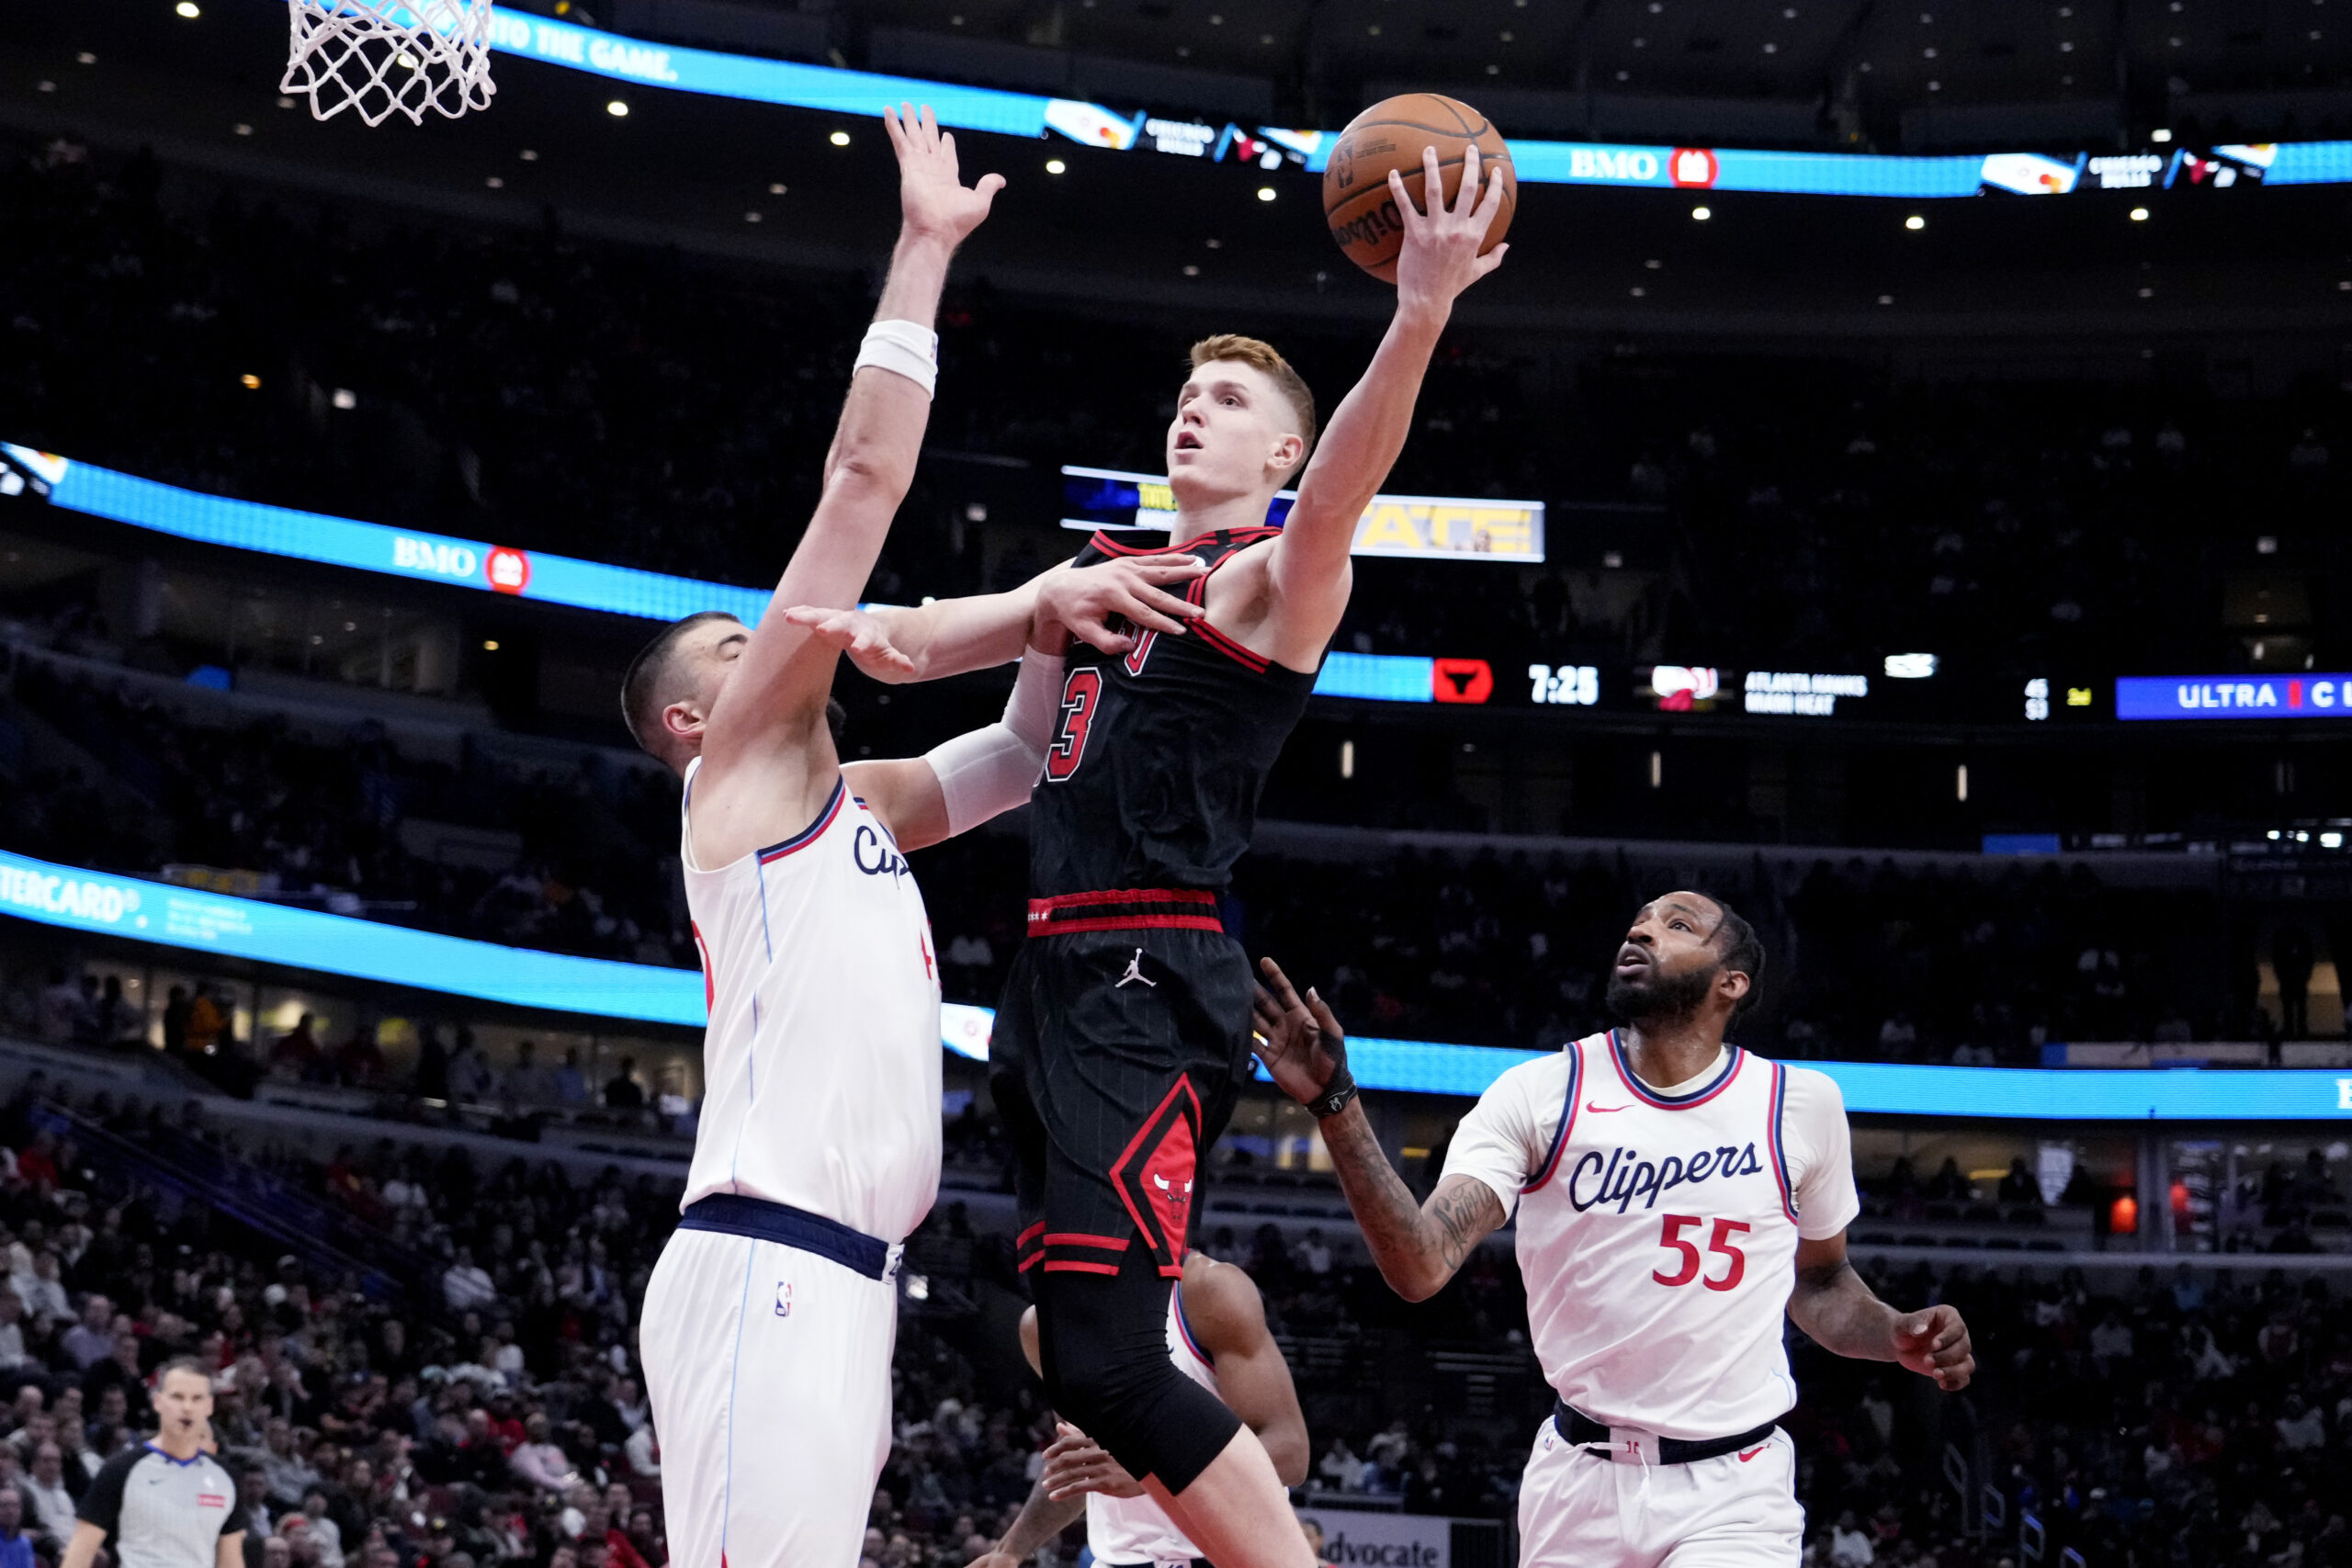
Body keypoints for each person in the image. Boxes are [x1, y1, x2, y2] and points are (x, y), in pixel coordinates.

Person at [820, 141, 1508, 1568]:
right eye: (1188, 393)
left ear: (1281, 451)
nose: (1197, 409)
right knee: (1085, 1355)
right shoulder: (1099, 575)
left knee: (1121, 1364)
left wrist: (1422, 309)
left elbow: (1340, 499)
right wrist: (826, 797)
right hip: (1054, 967)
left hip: (1150, 962)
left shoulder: (1268, 580)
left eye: (1235, 400)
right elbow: (1010, 762)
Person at [1250, 892, 1976, 1568]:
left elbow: (1817, 1277)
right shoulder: (1541, 1094)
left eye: (1678, 925)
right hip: (1578, 1481)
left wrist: (1891, 1330)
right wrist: (1337, 1104)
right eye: (1640, 921)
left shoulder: (1800, 1104)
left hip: (1734, 1487)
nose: (1642, 930)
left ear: (1733, 983)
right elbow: (1419, 1265)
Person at [969, 1250, 1308, 1568]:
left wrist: (1151, 1471)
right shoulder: (1043, 1325)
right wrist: (1010, 1550)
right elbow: (1082, 1466)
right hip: (1121, 1560)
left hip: (1232, 1557)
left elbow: (1291, 1453)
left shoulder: (1207, 1289)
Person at [61, 1359, 243, 1568]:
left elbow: (231, 1559)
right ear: (158, 1402)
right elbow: (81, 1551)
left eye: (197, 1398)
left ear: (209, 1406)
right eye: (177, 1397)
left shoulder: (226, 1477)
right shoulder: (121, 1469)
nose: (187, 1408)